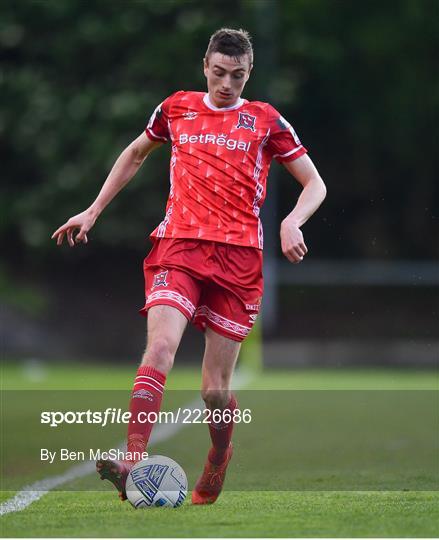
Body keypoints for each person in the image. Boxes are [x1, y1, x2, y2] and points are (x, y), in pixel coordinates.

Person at [51, 28, 326, 505]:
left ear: (249, 74)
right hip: (178, 246)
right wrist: (92, 210)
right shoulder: (176, 107)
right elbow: (136, 153)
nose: (226, 84)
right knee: (159, 348)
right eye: (218, 73)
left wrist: (293, 222)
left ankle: (219, 457)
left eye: (237, 76)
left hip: (239, 261)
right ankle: (133, 461)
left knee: (214, 393)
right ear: (205, 66)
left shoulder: (266, 121)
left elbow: (314, 184)